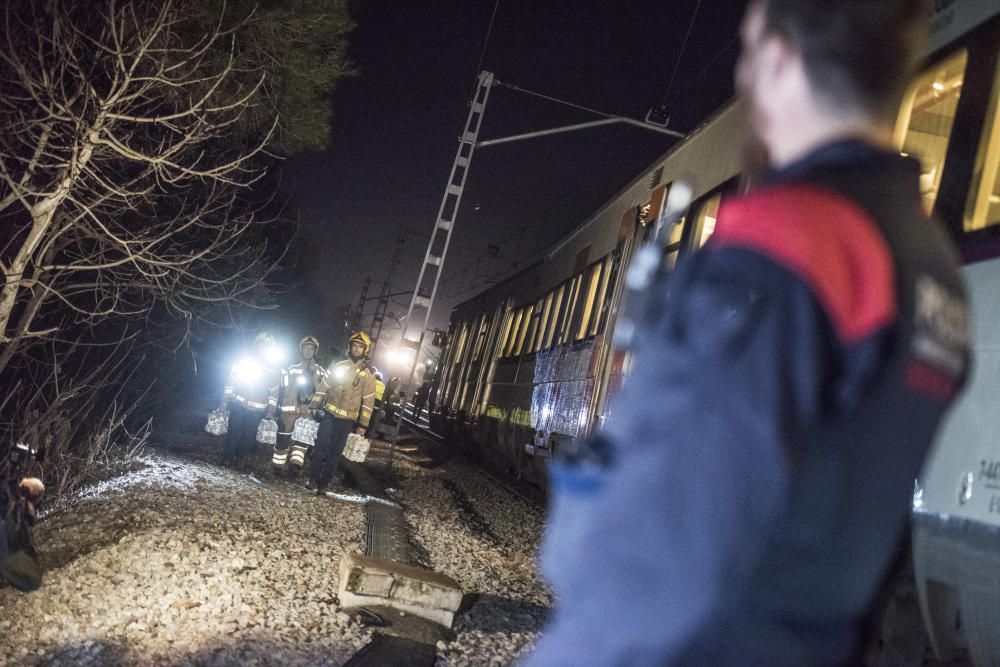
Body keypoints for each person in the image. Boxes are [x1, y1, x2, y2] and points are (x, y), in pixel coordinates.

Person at [527, 2, 971, 665]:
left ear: (781, 58)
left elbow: (656, 552)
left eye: (747, 52)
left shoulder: (791, 242)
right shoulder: (933, 270)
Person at [308, 331, 376, 494]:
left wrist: (362, 425)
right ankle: (312, 478)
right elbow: (325, 385)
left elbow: (368, 400)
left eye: (360, 347)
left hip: (347, 420)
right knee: (320, 446)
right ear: (350, 347)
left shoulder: (368, 373)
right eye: (354, 346)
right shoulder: (338, 365)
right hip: (329, 414)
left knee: (335, 453)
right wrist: (314, 405)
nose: (357, 349)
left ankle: (323, 484)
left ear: (365, 350)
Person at [221, 331, 281, 470]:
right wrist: (225, 399)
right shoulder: (245, 360)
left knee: (249, 436)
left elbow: (274, 391)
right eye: (262, 344)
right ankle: (227, 458)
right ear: (257, 344)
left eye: (268, 345)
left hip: (257, 408)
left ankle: (240, 459)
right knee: (233, 432)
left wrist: (271, 410)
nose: (264, 347)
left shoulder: (273, 368)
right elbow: (232, 380)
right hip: (239, 403)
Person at [272, 336, 327, 479]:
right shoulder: (291, 369)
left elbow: (325, 392)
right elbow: (282, 389)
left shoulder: (321, 372)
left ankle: (294, 469)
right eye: (305, 347)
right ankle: (277, 468)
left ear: (315, 351)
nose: (308, 350)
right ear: (300, 349)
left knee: (301, 443)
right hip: (289, 412)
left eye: (311, 348)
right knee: (283, 441)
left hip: (308, 413)